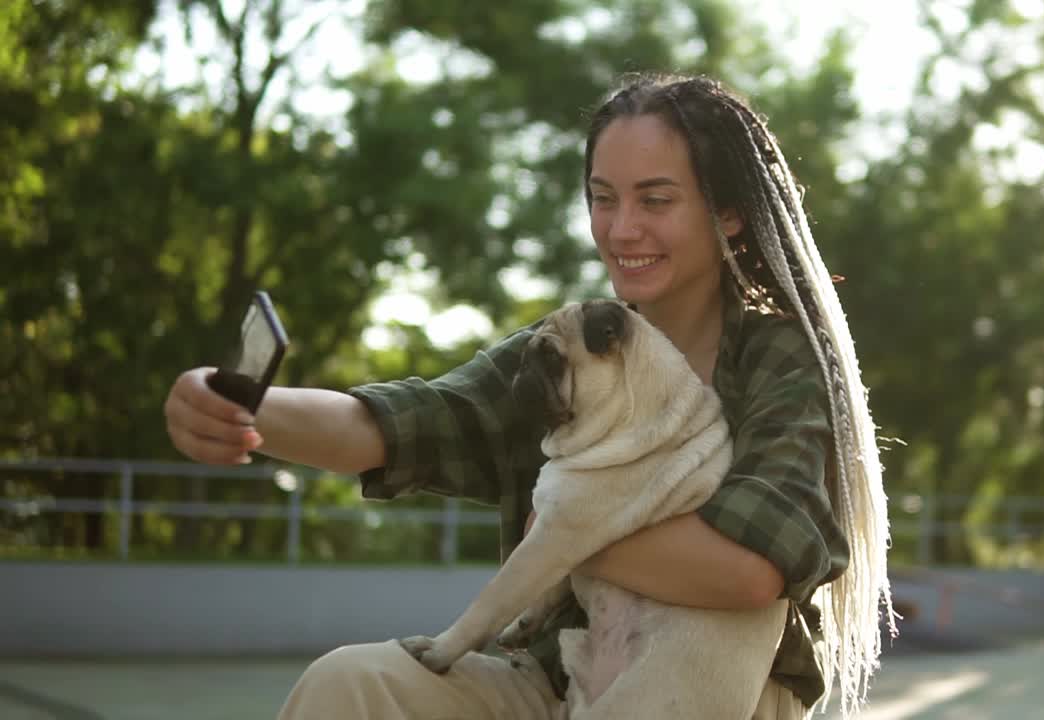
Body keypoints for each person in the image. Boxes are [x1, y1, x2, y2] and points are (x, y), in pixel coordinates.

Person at [163, 72, 893, 719]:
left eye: (656, 199)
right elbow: (407, 421)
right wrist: (244, 407)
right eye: (603, 199)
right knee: (353, 685)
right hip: (554, 679)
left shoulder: (785, 358)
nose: (622, 228)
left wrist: (565, 534)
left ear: (728, 212)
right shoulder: (569, 350)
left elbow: (748, 571)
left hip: (712, 695)